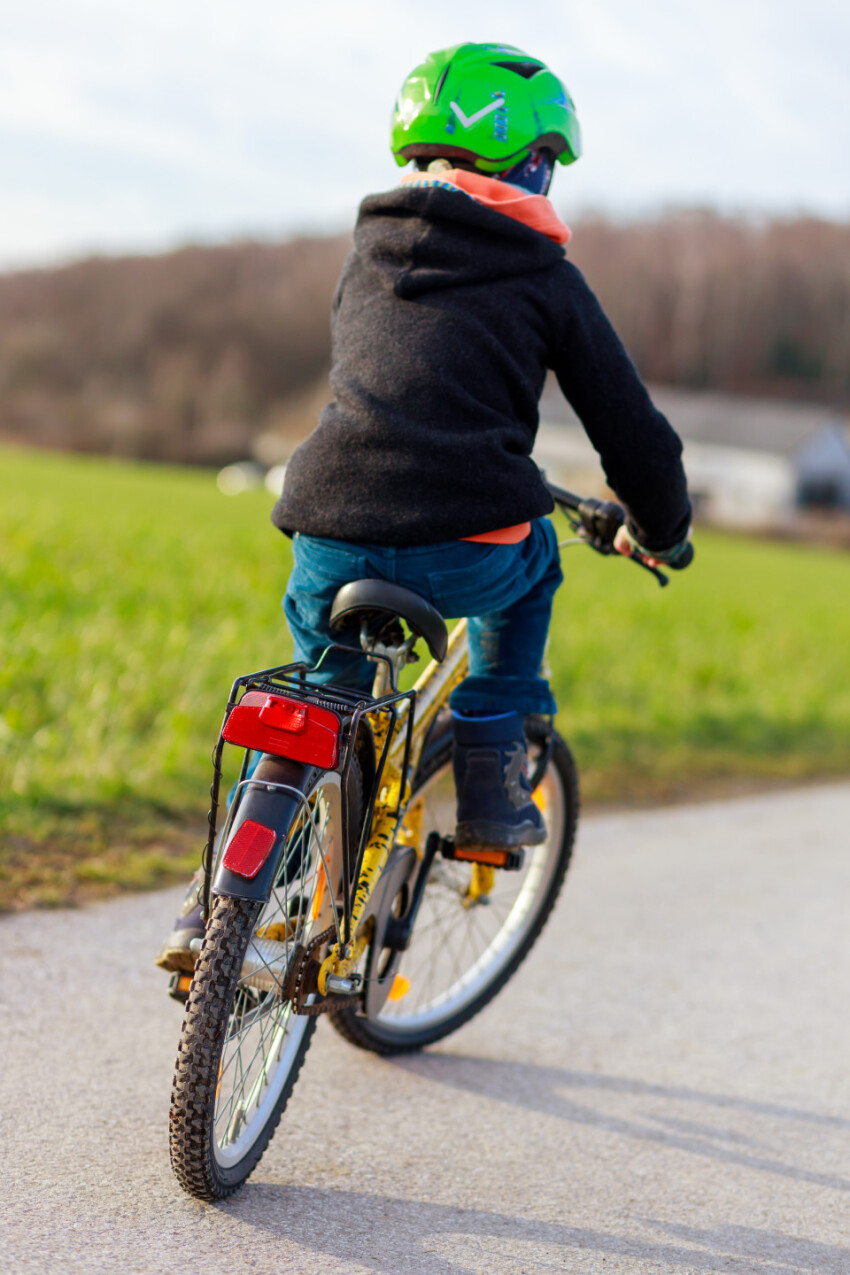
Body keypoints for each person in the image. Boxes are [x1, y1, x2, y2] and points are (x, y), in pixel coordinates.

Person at [156, 41, 691, 973]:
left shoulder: (367, 251)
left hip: (328, 522)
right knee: (533, 574)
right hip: (466, 542)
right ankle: (489, 772)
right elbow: (633, 435)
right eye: (552, 161)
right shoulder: (544, 278)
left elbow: (395, 386)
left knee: (317, 682)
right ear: (529, 158)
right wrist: (665, 526)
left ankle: (224, 898)